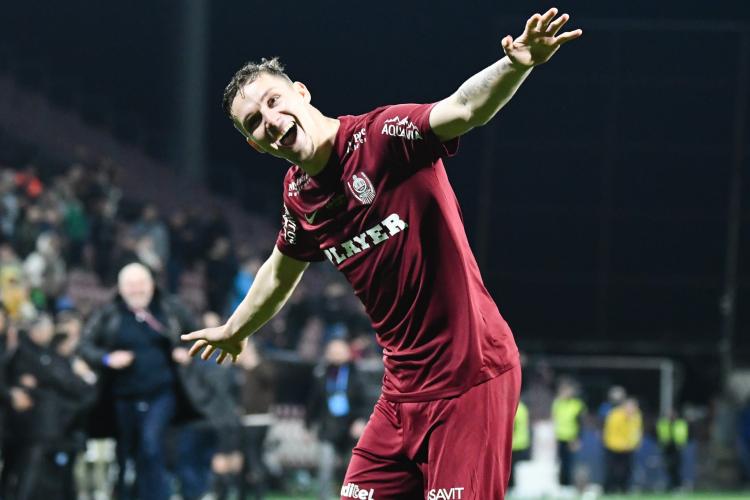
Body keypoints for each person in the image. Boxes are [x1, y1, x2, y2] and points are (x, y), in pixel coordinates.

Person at [183, 8, 581, 499]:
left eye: (273, 101)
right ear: (255, 145)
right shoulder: (299, 195)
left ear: (301, 93)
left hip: (470, 377)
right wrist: (235, 330)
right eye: (255, 122)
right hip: (401, 393)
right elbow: (279, 271)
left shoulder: (383, 137)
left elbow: (463, 109)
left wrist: (516, 64)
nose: (271, 120)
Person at [79, 262, 221, 500]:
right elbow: (85, 346)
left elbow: (196, 335)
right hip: (122, 395)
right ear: (121, 288)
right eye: (130, 285)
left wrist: (185, 352)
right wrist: (107, 358)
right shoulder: (108, 314)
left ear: (152, 284)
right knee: (126, 452)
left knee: (150, 445)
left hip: (162, 393)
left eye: (141, 283)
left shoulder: (170, 308)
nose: (136, 289)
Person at [307, 338, 369, 500]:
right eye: (332, 352)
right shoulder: (321, 374)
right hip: (328, 428)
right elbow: (313, 402)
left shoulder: (356, 374)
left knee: (352, 468)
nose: (335, 355)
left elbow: (365, 402)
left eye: (339, 351)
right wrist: (308, 425)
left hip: (350, 429)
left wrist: (361, 420)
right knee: (325, 467)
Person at [602, 397, 642, 493]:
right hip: (613, 447)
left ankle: (624, 489)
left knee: (627, 469)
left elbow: (636, 431)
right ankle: (609, 489)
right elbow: (612, 433)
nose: (633, 410)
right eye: (631, 407)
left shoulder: (636, 416)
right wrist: (623, 444)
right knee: (612, 469)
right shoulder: (615, 415)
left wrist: (636, 443)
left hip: (628, 448)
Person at [551, 378, 586, 487]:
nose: (565, 393)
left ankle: (572, 485)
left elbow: (581, 423)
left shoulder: (577, 405)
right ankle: (562, 485)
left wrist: (578, 438)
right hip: (559, 437)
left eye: (567, 390)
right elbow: (553, 419)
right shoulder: (557, 403)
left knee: (571, 463)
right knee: (560, 463)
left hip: (572, 438)